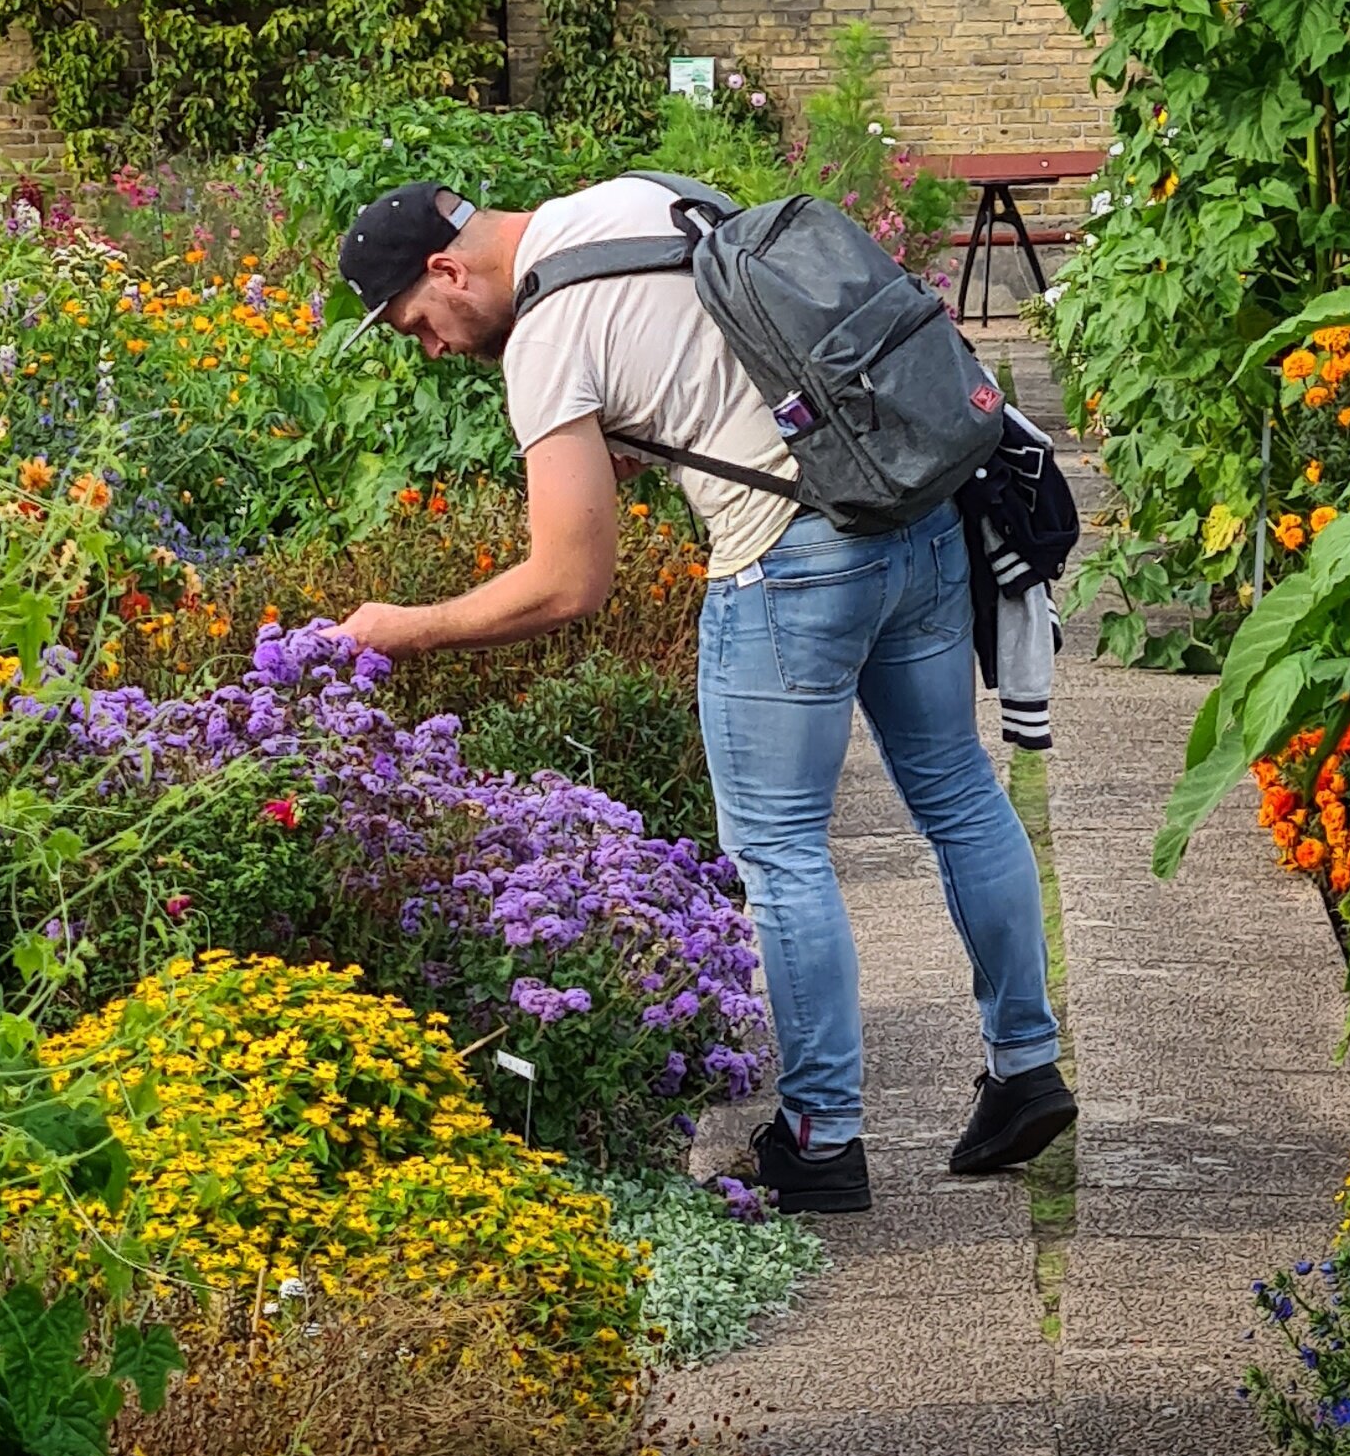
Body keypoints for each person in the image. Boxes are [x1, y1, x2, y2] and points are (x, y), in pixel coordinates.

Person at [332, 173, 1076, 1213]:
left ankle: (820, 1140)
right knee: (957, 791)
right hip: (911, 512)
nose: (434, 347)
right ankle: (1026, 1068)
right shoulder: (648, 196)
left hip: (788, 564)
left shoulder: (546, 337)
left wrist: (406, 629)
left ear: (448, 271)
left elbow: (568, 583)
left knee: (778, 852)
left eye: (420, 323)